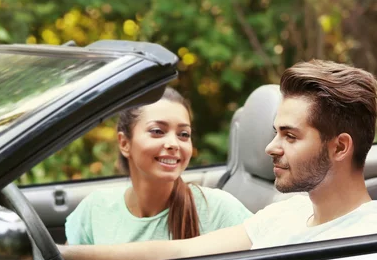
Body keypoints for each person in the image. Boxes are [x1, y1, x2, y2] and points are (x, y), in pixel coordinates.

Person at [60, 60, 377, 260]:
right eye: (275, 133)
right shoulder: (288, 213)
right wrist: (60, 256)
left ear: (339, 147)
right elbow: (180, 251)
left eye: (290, 136)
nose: (271, 147)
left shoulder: (367, 245)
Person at [64, 87, 253, 246]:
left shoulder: (219, 210)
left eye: (183, 134)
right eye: (157, 131)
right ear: (124, 143)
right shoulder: (95, 209)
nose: (173, 143)